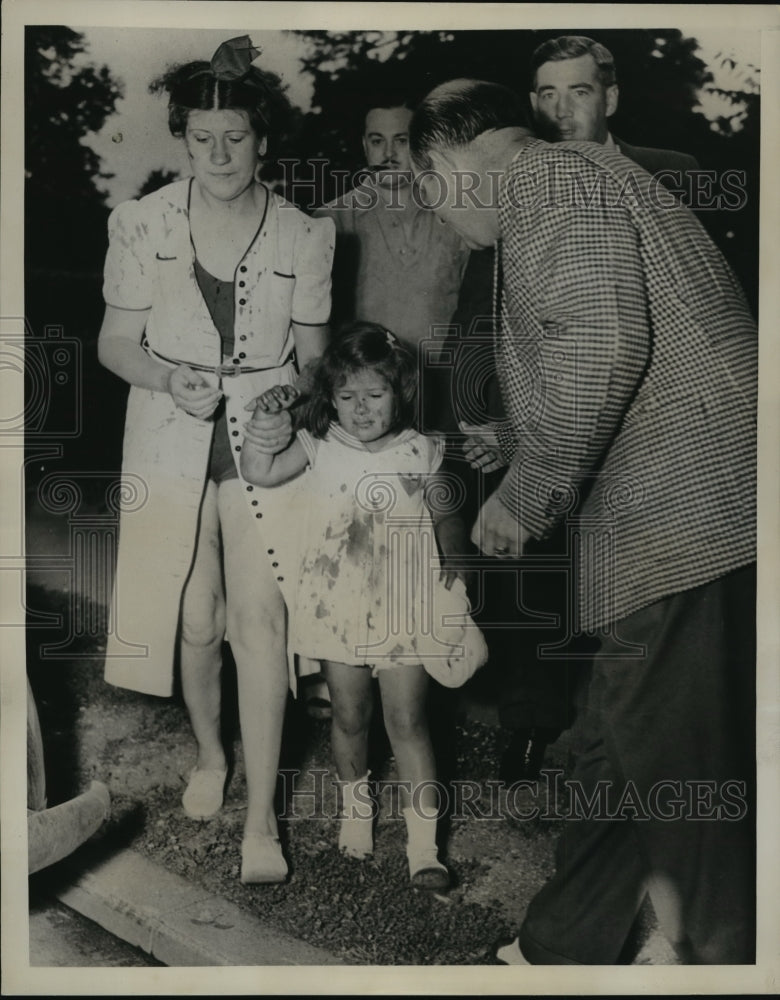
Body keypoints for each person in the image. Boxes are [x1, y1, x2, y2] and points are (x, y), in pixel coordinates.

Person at [409, 79, 756, 963]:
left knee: (681, 773)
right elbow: (613, 343)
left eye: (435, 204)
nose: (449, 226)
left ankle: (721, 960)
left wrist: (526, 493)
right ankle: (556, 950)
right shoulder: (583, 177)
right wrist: (524, 436)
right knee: (616, 748)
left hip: (681, 518)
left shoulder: (548, 185)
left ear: (449, 168)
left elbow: (602, 344)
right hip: (686, 507)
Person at [97, 36, 335, 884]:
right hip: (168, 433)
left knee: (257, 622)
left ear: (262, 141)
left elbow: (317, 361)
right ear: (182, 140)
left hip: (263, 444)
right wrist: (168, 375)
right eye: (202, 139)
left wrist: (287, 406)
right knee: (195, 621)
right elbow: (114, 344)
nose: (220, 155)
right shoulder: (140, 221)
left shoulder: (309, 233)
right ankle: (210, 754)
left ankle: (263, 822)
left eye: (236, 137)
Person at [450, 34, 702, 783]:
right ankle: (534, 724)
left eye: (579, 91)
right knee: (536, 571)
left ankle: (636, 759)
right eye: (545, 95)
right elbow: (485, 320)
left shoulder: (673, 175)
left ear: (611, 97)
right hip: (556, 427)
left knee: (652, 617)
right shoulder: (506, 184)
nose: (561, 110)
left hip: (654, 442)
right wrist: (498, 420)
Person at [240, 323, 488, 889]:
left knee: (408, 720)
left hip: (405, 604)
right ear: (330, 399)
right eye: (346, 397)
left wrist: (457, 561)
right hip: (336, 605)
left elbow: (448, 514)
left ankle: (424, 848)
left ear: (399, 393)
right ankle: (357, 813)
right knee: (350, 716)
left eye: (373, 396)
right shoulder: (318, 447)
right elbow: (258, 471)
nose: (360, 409)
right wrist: (265, 423)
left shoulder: (423, 450)